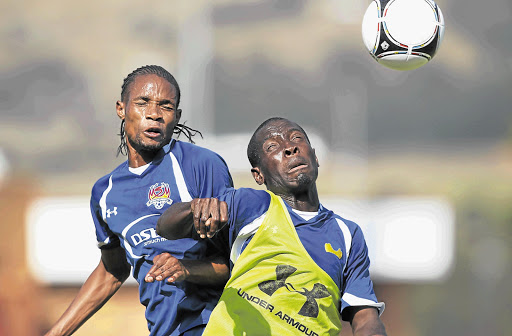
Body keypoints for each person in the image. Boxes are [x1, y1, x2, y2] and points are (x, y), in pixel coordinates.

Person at [153, 117, 387, 336]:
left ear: (315, 157)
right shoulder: (250, 205)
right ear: (258, 175)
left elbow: (365, 318)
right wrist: (194, 207)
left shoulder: (348, 234)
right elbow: (165, 227)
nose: (290, 148)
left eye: (297, 139)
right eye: (272, 147)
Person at [45, 65, 234, 336]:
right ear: (122, 109)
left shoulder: (201, 164)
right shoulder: (105, 192)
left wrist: (186, 269)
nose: (154, 114)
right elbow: (112, 270)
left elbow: (237, 261)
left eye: (166, 107)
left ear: (177, 117)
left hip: (215, 324)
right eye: (143, 102)